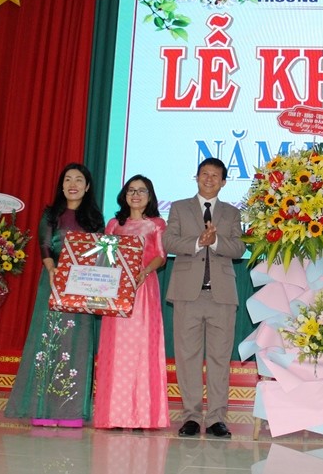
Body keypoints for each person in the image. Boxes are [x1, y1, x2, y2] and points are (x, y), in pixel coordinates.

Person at [5, 162, 105, 427]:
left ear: (87, 187)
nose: (73, 184)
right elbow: (45, 245)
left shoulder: (95, 218)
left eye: (79, 180)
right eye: (68, 180)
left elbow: (100, 253)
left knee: (78, 343)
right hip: (54, 282)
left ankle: (72, 411)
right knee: (49, 341)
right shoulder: (51, 214)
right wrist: (53, 270)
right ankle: (43, 409)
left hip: (83, 286)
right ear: (62, 186)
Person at [162, 157, 245, 438]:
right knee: (188, 357)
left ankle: (217, 418)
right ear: (196, 177)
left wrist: (217, 242)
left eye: (215, 176)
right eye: (204, 174)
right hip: (188, 294)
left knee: (220, 358)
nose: (209, 179)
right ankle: (192, 417)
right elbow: (169, 242)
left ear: (223, 182)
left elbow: (239, 248)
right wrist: (199, 242)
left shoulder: (232, 213)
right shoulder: (179, 208)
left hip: (221, 295)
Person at [94, 175, 169, 430]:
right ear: (125, 195)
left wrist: (144, 272)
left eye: (142, 191)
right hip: (116, 291)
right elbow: (103, 257)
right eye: (131, 190)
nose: (136, 195)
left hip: (143, 290)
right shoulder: (114, 224)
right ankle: (114, 415)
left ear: (150, 197)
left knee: (141, 351)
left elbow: (161, 256)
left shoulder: (156, 224)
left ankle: (143, 416)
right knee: (115, 351)